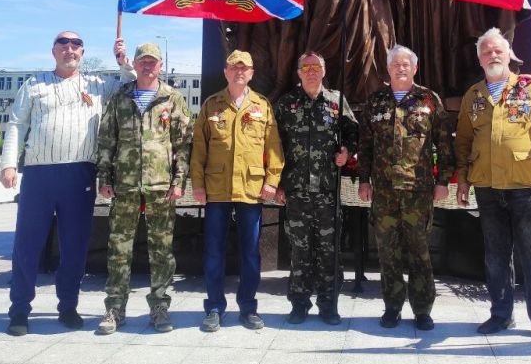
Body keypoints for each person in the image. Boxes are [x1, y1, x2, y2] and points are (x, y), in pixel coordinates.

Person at [0, 31, 133, 337]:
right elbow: (17, 124)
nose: (69, 49)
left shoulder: (98, 85)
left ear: (83, 52)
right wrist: (9, 163)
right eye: (63, 44)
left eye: (75, 45)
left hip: (79, 174)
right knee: (28, 244)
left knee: (75, 245)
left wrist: (123, 60)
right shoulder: (34, 84)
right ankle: (19, 309)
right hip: (39, 174)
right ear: (53, 50)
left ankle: (68, 306)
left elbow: (131, 83)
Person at [454, 27, 531, 345]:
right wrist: (463, 179)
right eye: (486, 51)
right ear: (479, 59)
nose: (492, 55)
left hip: (524, 185)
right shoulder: (474, 95)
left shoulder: (529, 88)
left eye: (498, 50)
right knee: (495, 256)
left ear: (509, 55)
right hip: (487, 187)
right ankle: (501, 314)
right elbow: (464, 140)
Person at [95, 42, 192, 335]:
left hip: (160, 186)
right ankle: (115, 309)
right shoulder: (120, 97)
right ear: (135, 65)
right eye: (143, 61)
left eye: (153, 62)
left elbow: (183, 144)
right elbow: (106, 140)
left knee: (161, 250)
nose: (148, 66)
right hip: (124, 185)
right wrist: (105, 177)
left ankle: (160, 308)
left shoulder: (172, 98)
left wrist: (179, 182)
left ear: (160, 65)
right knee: (118, 249)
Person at [357, 44, 453, 331]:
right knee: (388, 252)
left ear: (415, 68)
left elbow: (444, 144)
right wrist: (364, 180)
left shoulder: (429, 99)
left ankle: (422, 309)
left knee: (419, 251)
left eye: (405, 64)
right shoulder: (375, 102)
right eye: (395, 64)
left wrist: (443, 181)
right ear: (387, 69)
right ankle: (392, 306)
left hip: (418, 192)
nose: (400, 68)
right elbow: (365, 145)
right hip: (384, 192)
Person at [190, 50, 284, 332]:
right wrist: (197, 184)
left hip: (251, 189)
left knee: (250, 253)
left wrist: (272, 181)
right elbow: (198, 149)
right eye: (234, 67)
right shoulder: (211, 105)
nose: (239, 72)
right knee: (214, 252)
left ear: (252, 73)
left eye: (244, 68)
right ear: (226, 72)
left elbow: (274, 147)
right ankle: (215, 307)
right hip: (217, 188)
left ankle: (248, 307)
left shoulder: (262, 106)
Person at [273, 51, 357, 325]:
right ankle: (299, 303)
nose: (311, 72)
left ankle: (328, 304)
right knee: (300, 250)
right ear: (298, 73)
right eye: (305, 67)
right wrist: (278, 183)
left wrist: (347, 151)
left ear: (324, 71)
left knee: (329, 251)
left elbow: (352, 133)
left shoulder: (336, 102)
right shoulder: (286, 105)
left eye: (316, 67)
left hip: (327, 192)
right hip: (296, 191)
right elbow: (274, 146)